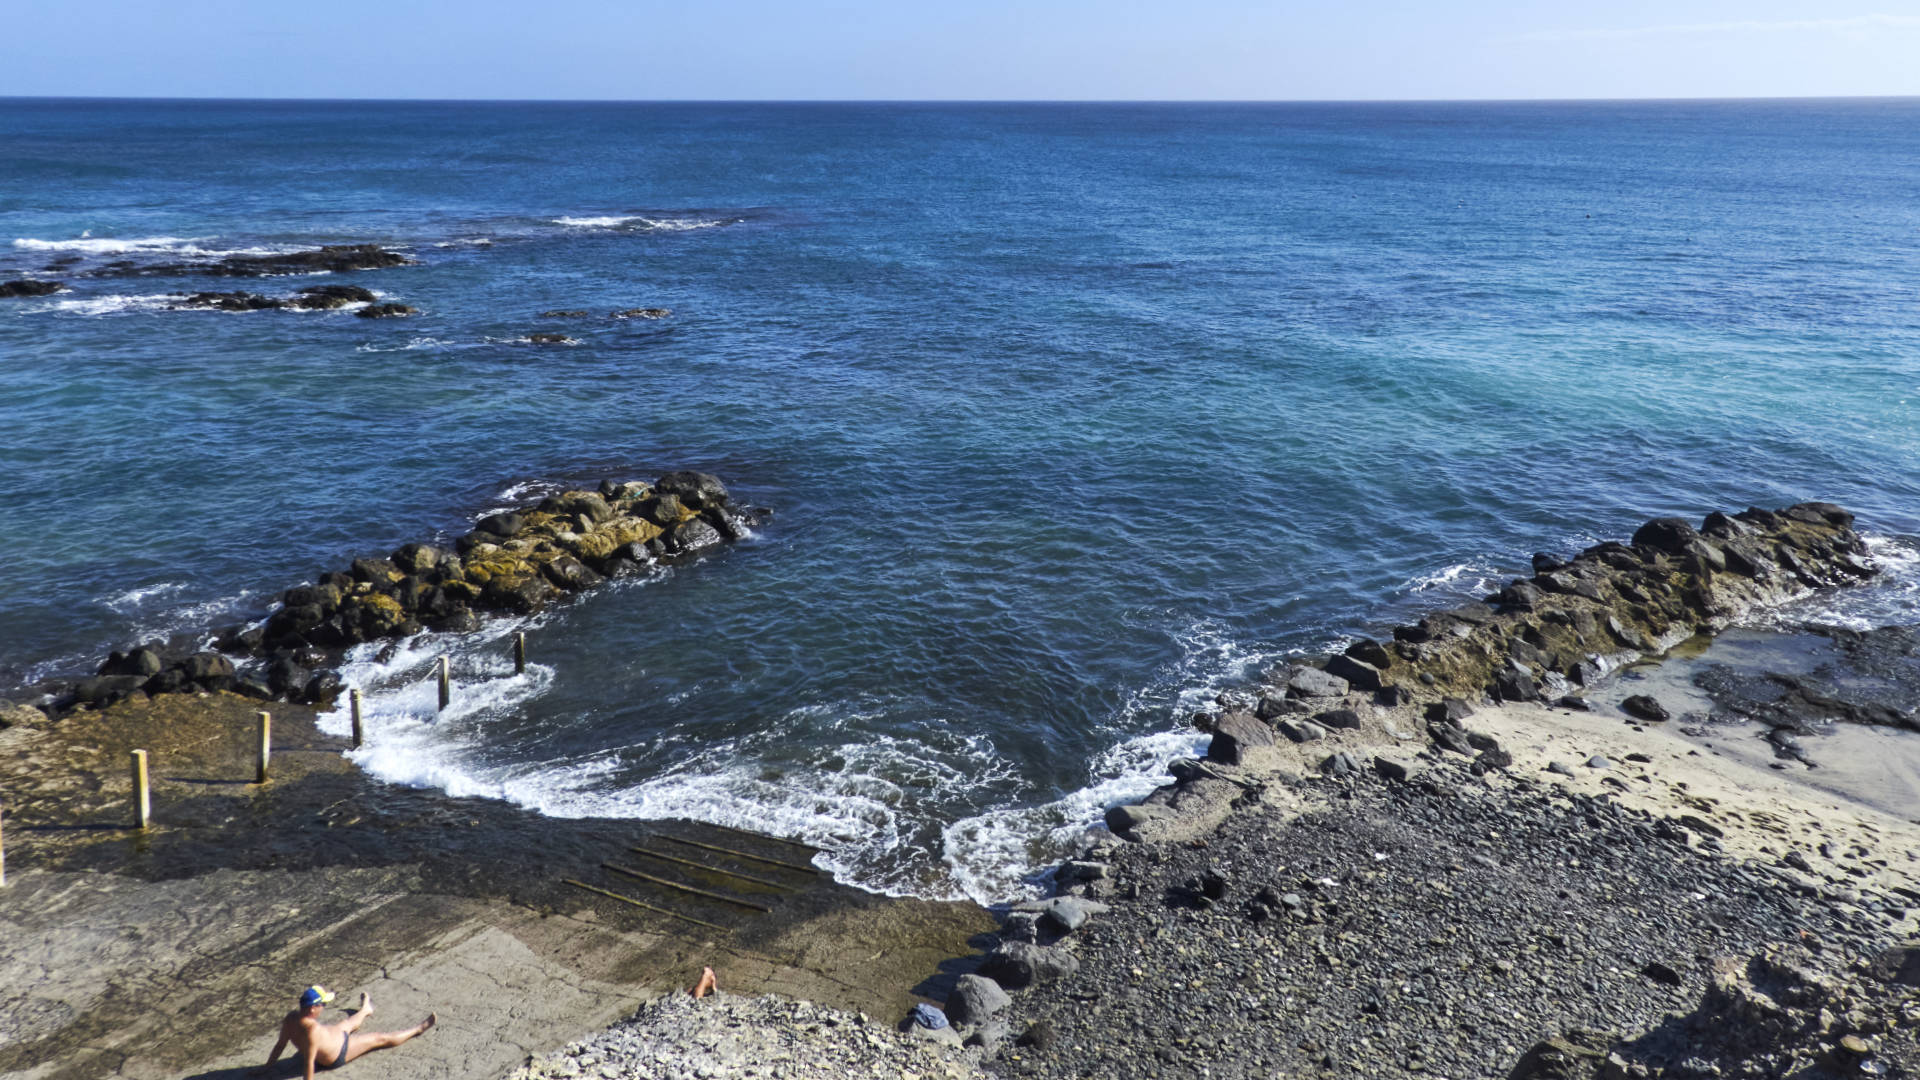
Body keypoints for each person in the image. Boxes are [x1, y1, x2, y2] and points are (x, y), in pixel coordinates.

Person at [253, 986, 435, 1078]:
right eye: (322, 1005)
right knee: (379, 1038)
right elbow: (309, 1064)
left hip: (330, 1038)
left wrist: (265, 1067)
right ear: (313, 1009)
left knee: (346, 1024)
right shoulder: (312, 1030)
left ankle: (365, 1010)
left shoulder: (291, 1018)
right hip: (337, 1053)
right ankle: (418, 1029)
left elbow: (279, 1046)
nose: (324, 1008)